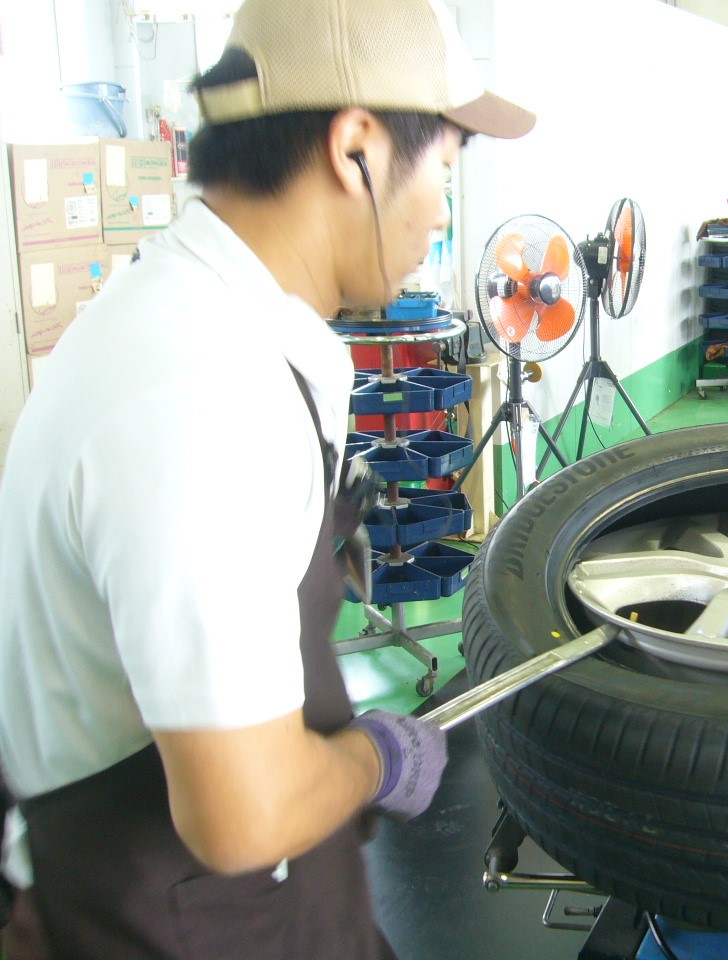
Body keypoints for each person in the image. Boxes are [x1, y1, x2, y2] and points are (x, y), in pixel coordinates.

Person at [0, 0, 534, 956]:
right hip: (179, 917)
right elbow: (241, 816)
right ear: (357, 149)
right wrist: (372, 759)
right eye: (445, 171)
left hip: (271, 898)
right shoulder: (201, 394)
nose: (443, 211)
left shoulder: (210, 314)